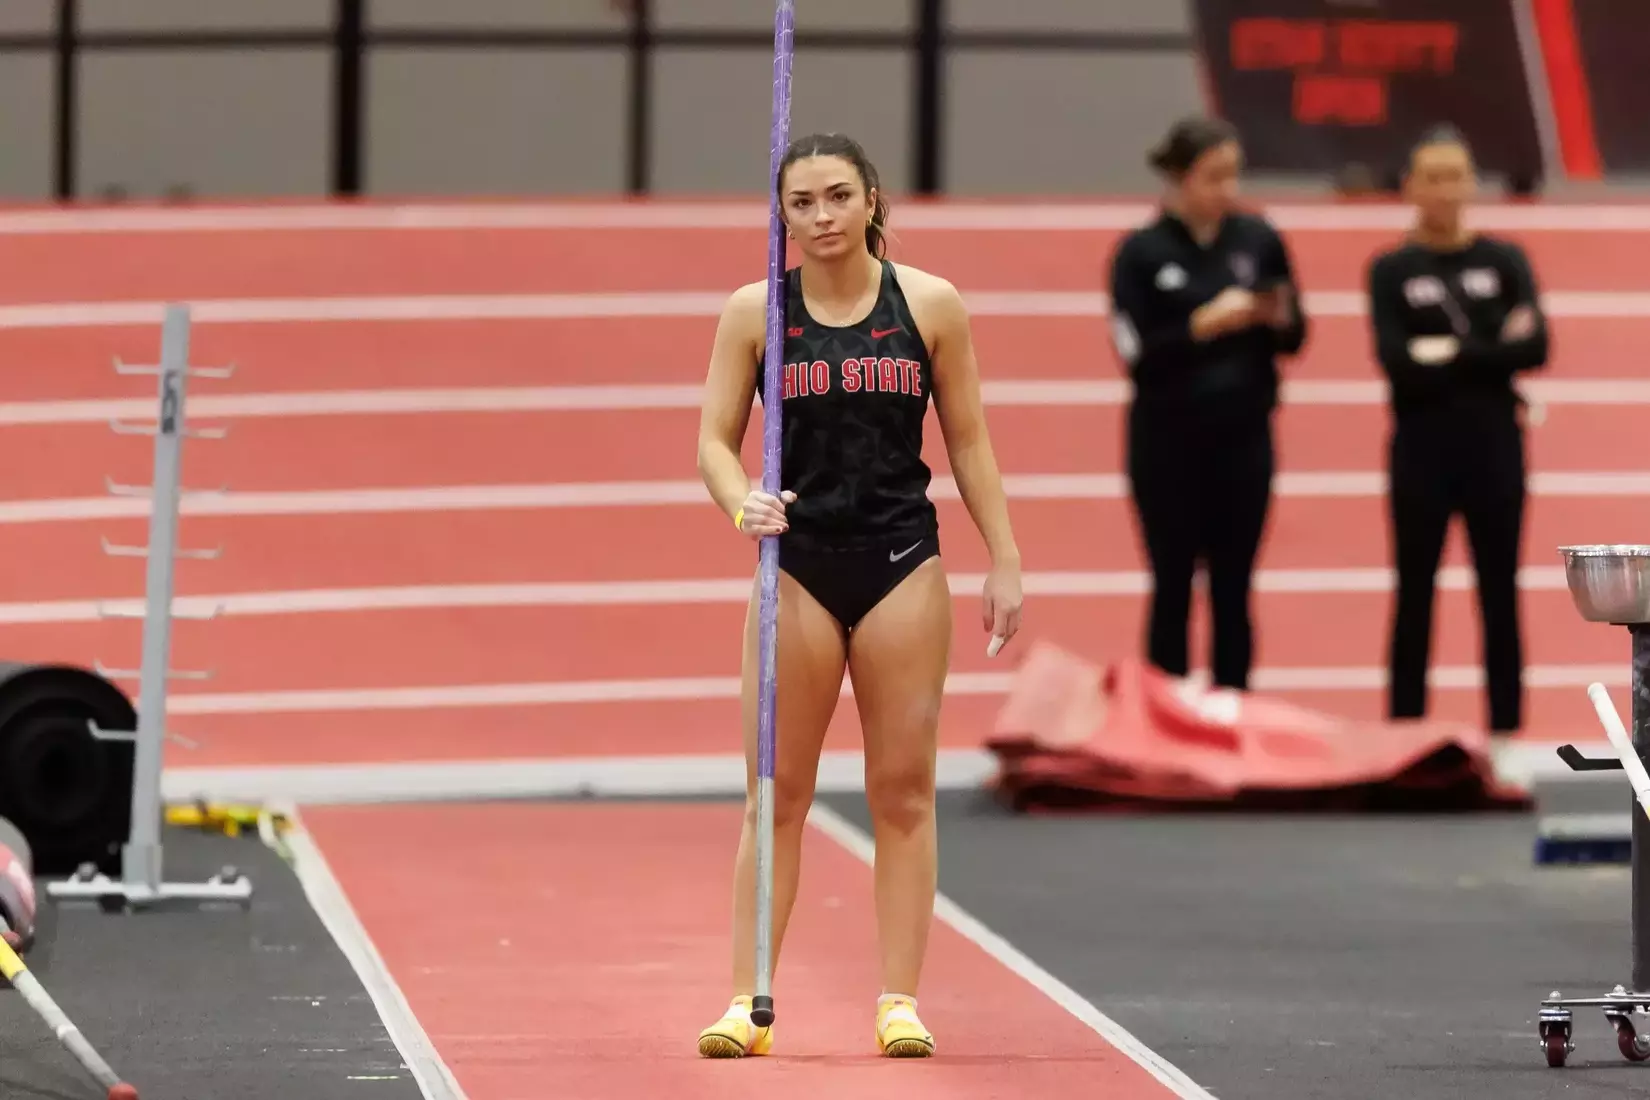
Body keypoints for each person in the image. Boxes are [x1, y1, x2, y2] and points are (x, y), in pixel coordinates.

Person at [693, 132, 1024, 1059]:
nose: (822, 217)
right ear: (782, 215)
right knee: (775, 790)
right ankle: (747, 1002)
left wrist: (1005, 557)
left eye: (838, 196)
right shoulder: (755, 312)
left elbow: (968, 441)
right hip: (794, 564)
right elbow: (715, 440)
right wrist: (738, 500)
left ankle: (900, 1001)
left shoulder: (931, 305)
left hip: (900, 562)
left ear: (873, 199)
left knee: (904, 792)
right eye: (802, 203)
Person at [1105, 116, 1308, 694]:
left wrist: (1273, 315)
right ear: (1177, 178)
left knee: (1233, 585)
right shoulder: (1140, 254)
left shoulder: (1258, 240)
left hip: (1244, 438)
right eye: (1211, 176)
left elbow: (1295, 334)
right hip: (1168, 442)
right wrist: (1201, 325)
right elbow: (1136, 352)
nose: (1225, 189)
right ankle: (1167, 717)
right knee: (1172, 582)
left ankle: (1233, 711)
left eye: (1232, 176)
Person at [1366, 124, 1550, 735]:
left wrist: (1448, 352)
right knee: (1413, 591)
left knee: (1500, 591)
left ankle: (1505, 732)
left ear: (1471, 183)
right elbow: (1397, 363)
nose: (1446, 190)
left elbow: (1537, 346)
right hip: (1420, 448)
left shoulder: (1504, 260)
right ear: (1411, 187)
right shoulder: (1391, 270)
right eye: (1433, 178)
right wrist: (1490, 347)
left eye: (1456, 176)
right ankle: (1403, 733)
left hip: (1495, 446)